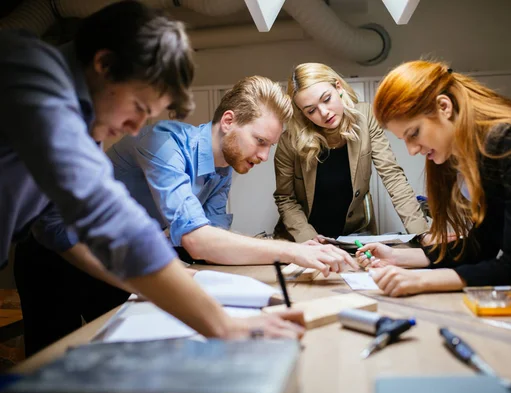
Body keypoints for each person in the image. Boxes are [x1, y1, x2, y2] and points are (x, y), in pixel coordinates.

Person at [3, 0, 303, 357]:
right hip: (52, 264)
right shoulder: (33, 76)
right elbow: (111, 218)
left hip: (83, 251)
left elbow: (69, 225)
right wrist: (224, 324)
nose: (133, 128)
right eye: (140, 108)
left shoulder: (89, 119)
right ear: (105, 66)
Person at [358, 60, 511, 318]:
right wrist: (401, 258)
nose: (412, 149)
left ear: (444, 107)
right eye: (403, 140)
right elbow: (483, 245)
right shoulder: (474, 150)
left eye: (414, 133)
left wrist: (421, 282)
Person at [106, 75, 356, 273]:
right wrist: (293, 251)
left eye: (270, 145)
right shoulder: (164, 144)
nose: (264, 156)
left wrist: (299, 252)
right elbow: (198, 241)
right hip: (80, 251)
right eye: (259, 140)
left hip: (128, 254)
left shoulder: (222, 169)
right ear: (228, 121)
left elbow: (214, 245)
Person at [273, 63, 428, 244]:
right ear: (302, 113)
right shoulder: (289, 140)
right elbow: (285, 198)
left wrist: (422, 233)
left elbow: (393, 177)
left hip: (354, 236)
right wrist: (310, 240)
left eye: (326, 99)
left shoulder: (365, 117)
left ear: (338, 87)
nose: (324, 113)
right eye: (311, 110)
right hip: (306, 239)